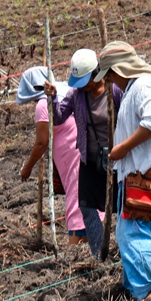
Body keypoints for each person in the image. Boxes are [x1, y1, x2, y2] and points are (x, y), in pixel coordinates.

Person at [94, 41, 151, 301]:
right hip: (136, 172)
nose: (109, 81)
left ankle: (150, 291)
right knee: (139, 230)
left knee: (133, 232)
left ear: (119, 69)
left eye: (109, 74)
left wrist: (121, 149)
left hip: (144, 171)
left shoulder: (144, 86)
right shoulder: (135, 88)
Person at [44, 49, 122, 259]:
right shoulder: (76, 96)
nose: (83, 86)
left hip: (117, 159)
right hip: (89, 160)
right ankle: (99, 254)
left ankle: (124, 248)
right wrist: (52, 99)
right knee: (86, 207)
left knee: (121, 205)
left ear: (96, 74)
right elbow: (59, 118)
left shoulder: (114, 91)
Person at [16, 67, 85, 245]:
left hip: (71, 155)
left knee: (76, 200)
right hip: (81, 150)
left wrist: (27, 168)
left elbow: (41, 142)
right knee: (84, 199)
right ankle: (88, 245)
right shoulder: (62, 93)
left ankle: (75, 250)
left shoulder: (42, 105)